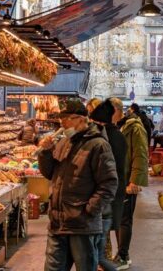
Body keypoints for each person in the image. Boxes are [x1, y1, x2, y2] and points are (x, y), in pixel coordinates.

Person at [37, 99, 118, 271]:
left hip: (82, 225)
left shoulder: (98, 145)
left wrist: (89, 210)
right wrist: (46, 152)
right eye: (61, 118)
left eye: (67, 118)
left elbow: (109, 183)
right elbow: (50, 173)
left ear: (81, 119)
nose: (62, 122)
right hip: (58, 223)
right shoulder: (65, 142)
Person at [89, 99, 126, 271]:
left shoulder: (104, 139)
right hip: (108, 194)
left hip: (104, 196)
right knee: (100, 246)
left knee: (99, 250)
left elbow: (111, 171)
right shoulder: (114, 135)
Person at [115, 99, 149, 270]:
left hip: (128, 180)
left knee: (124, 219)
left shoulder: (134, 127)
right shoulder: (118, 127)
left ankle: (123, 256)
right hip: (117, 180)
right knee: (118, 219)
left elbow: (141, 154)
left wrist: (135, 180)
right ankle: (121, 254)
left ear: (117, 110)